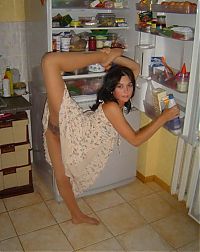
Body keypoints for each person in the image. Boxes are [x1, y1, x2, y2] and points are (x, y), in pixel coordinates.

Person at [41, 48, 180, 225]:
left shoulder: (118, 100)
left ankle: (76, 215)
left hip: (67, 137)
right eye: (120, 86)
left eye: (129, 85)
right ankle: (99, 56)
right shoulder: (111, 107)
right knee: (50, 61)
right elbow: (135, 140)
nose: (126, 90)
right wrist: (164, 117)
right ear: (112, 88)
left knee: (62, 178)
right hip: (68, 127)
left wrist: (114, 56)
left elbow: (134, 68)